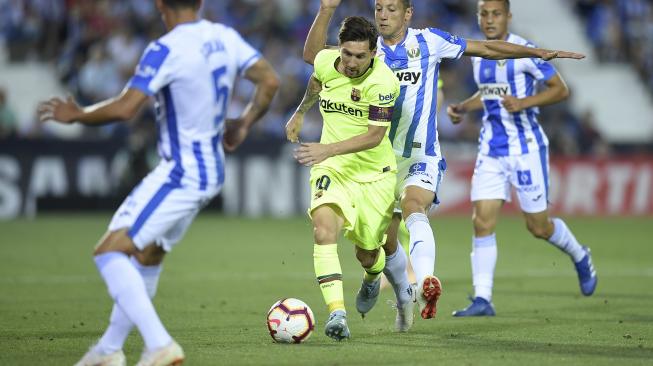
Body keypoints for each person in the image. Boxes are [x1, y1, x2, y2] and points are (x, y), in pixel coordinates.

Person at [303, 0, 585, 329]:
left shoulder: (429, 42)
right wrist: (325, 11)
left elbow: (487, 49)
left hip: (420, 154)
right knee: (383, 244)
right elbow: (316, 58)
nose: (383, 14)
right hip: (376, 160)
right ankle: (403, 298)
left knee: (414, 207)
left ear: (407, 14)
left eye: (392, 9)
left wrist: (535, 53)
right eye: (379, 7)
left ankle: (425, 282)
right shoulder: (366, 48)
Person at [37, 0, 279, 364]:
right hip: (212, 168)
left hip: (182, 170)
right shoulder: (223, 36)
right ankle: (108, 349)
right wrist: (243, 122)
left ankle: (159, 344)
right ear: (199, 3)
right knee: (150, 254)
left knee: (109, 251)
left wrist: (77, 115)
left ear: (159, 4)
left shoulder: (165, 48)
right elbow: (270, 80)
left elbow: (125, 107)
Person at [446, 0, 597, 317]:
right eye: (483, 14)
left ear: (508, 17)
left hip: (526, 148)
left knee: (538, 227)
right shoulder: (479, 55)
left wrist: (526, 101)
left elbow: (560, 89)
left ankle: (580, 254)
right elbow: (488, 94)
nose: (489, 20)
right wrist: (463, 107)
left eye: (496, 14)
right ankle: (483, 299)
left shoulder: (526, 51)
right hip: (490, 149)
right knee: (482, 221)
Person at [285, 16, 400, 341]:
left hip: (374, 177)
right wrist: (300, 112)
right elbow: (316, 83)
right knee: (323, 230)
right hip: (332, 169)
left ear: (374, 53)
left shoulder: (383, 82)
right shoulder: (326, 61)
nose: (350, 62)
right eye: (346, 53)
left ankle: (373, 275)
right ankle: (337, 314)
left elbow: (375, 136)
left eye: (360, 56)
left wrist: (327, 148)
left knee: (367, 253)